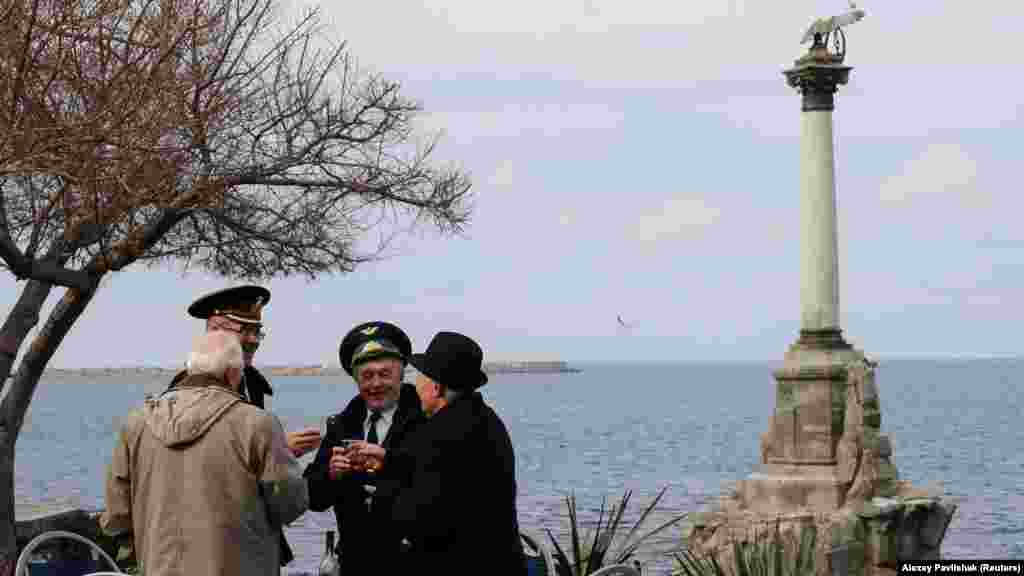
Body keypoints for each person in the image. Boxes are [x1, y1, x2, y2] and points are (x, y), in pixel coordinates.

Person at [100, 331, 308, 576]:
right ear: (232, 373)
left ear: (190, 369)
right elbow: (290, 504)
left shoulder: (136, 424)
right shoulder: (258, 424)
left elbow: (116, 517)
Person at [167, 285, 318, 567]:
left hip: (247, 540)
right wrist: (277, 450)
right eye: (244, 330)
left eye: (257, 332)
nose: (253, 340)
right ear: (214, 332)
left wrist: (275, 453)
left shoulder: (251, 383)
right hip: (207, 543)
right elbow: (198, 463)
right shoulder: (184, 391)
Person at [371, 331, 527, 575]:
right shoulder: (485, 419)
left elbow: (420, 519)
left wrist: (380, 495)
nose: (415, 386)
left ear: (437, 387)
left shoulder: (439, 433)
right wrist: (387, 460)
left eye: (420, 378)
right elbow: (450, 475)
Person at [303, 321, 425, 574]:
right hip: (355, 563)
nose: (376, 384)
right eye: (367, 376)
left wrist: (388, 463)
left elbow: (442, 486)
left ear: (402, 374)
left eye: (385, 374)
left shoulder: (426, 420)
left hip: (414, 563)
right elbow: (313, 499)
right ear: (355, 379)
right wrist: (331, 475)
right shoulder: (341, 425)